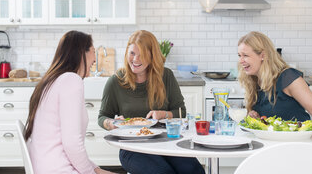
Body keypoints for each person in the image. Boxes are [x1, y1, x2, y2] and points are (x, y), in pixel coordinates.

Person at [98, 30, 205, 174]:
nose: (135, 59)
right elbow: (102, 117)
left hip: (167, 142)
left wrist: (162, 114)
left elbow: (180, 111)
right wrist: (111, 123)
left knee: (194, 170)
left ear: (152, 56)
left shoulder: (165, 75)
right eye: (132, 53)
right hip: (132, 147)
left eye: (142, 54)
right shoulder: (116, 81)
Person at [24, 31, 115, 174]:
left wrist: (96, 169)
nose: (95, 60)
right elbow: (72, 143)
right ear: (81, 53)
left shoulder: (53, 81)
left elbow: (68, 146)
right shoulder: (71, 81)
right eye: (92, 51)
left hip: (47, 166)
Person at [237, 31, 312, 124]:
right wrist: (254, 117)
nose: (241, 61)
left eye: (245, 55)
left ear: (263, 55)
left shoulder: (287, 77)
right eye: (239, 55)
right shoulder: (254, 81)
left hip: (297, 136)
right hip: (269, 138)